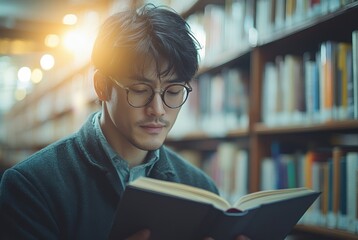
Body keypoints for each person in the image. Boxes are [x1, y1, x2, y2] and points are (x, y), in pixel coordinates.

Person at [0, 4, 250, 240]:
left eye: (173, 91)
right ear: (102, 87)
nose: (158, 110)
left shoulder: (200, 188)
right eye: (140, 90)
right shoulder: (31, 186)